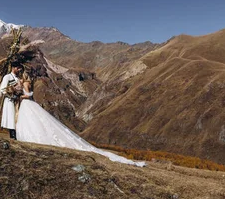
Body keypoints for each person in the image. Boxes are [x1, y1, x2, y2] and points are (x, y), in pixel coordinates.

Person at [16, 71, 146, 167]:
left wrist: (20, 97)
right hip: (27, 106)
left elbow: (28, 94)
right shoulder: (24, 83)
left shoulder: (26, 83)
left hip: (27, 104)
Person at [0, 65, 21, 140]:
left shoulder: (18, 78)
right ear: (13, 68)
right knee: (11, 117)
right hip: (9, 100)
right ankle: (12, 135)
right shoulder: (7, 77)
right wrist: (11, 95)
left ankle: (17, 135)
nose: (19, 69)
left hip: (17, 100)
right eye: (17, 68)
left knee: (17, 117)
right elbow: (3, 89)